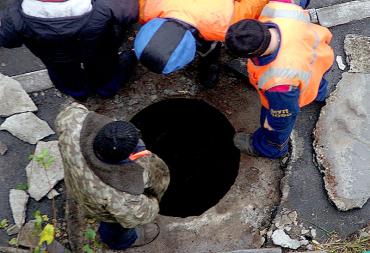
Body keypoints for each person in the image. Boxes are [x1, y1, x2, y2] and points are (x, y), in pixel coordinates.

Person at [225, 0, 334, 159]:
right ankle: (321, 94)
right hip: (318, 57)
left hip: (295, 77)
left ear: (254, 53)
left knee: (275, 128)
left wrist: (273, 124)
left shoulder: (279, 83)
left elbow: (285, 112)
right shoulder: (278, 9)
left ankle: (271, 149)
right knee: (315, 83)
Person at [55, 103, 170, 250]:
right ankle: (119, 241)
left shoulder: (74, 124)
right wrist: (154, 201)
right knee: (115, 227)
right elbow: (141, 215)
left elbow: (69, 110)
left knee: (89, 203)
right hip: (99, 206)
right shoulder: (121, 195)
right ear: (126, 158)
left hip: (75, 184)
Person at [0, 0, 138, 100]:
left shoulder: (13, 16)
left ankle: (79, 93)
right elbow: (131, 13)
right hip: (98, 48)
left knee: (64, 76)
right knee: (104, 69)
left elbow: (8, 41)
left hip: (54, 58)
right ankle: (105, 89)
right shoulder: (105, 4)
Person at [134, 0, 269, 88]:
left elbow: (253, 3)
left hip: (213, 19)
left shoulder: (226, 25)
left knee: (210, 48)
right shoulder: (147, 8)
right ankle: (208, 63)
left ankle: (209, 63)